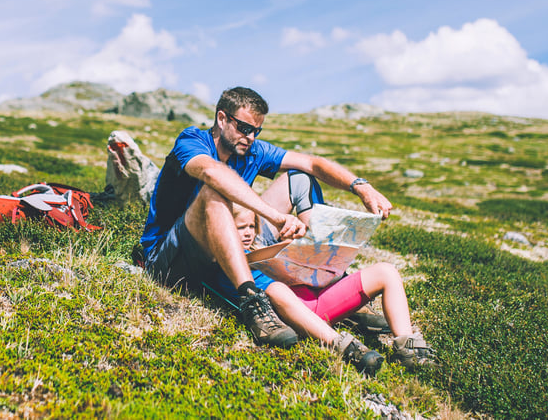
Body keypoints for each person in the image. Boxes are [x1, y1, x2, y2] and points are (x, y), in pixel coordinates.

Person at [140, 87, 393, 359]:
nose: (250, 137)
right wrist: (275, 217)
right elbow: (211, 172)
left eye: (256, 131)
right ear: (222, 119)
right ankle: (252, 301)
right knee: (213, 190)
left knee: (300, 177)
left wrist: (360, 187)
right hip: (168, 258)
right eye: (244, 128)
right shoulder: (192, 140)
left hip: (224, 247)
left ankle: (323, 280)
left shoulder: (251, 150)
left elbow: (312, 163)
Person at [229, 189, 436, 371]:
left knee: (387, 271)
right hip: (300, 313)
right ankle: (341, 344)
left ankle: (408, 347)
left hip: (321, 297)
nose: (247, 233)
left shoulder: (261, 246)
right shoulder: (231, 261)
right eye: (240, 228)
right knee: (276, 289)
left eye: (251, 226)